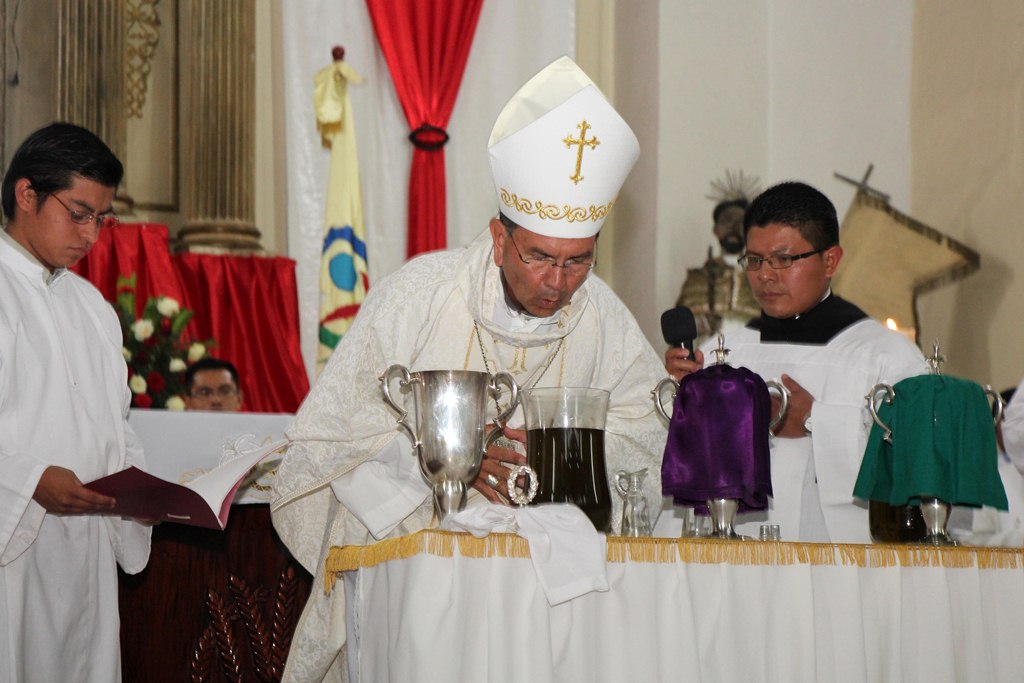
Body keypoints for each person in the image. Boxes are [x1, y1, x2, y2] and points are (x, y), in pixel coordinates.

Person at [271, 56, 667, 681]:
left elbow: (647, 438)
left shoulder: (606, 321)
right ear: (499, 236)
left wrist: (567, 455)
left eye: (578, 261)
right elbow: (322, 449)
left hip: (550, 602)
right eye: (539, 256)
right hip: (424, 595)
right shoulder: (420, 298)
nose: (558, 283)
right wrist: (439, 466)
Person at [665, 181, 928, 543]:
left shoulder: (886, 356)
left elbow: (918, 465)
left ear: (830, 259)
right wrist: (682, 402)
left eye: (784, 259)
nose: (765, 275)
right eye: (754, 260)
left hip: (845, 571)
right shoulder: (720, 354)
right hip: (739, 567)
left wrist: (814, 419)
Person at [0, 123, 151, 681]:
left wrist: (140, 489)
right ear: (26, 194)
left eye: (102, 219)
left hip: (84, 552)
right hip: (14, 551)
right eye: (79, 213)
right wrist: (31, 480)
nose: (91, 235)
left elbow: (117, 426)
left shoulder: (94, 307)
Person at [673, 184, 760, 344]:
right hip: (705, 361)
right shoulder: (697, 279)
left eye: (740, 222)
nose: (733, 227)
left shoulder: (762, 279)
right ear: (716, 229)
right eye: (727, 221)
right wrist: (703, 323)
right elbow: (678, 332)